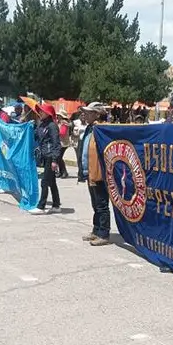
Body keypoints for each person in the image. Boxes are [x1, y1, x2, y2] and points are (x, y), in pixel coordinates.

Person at [77, 102, 112, 246]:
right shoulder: (89, 128)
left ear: (97, 114)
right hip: (89, 171)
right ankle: (96, 230)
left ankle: (103, 233)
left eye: (88, 112)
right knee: (95, 204)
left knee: (101, 204)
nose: (84, 115)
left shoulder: (102, 129)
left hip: (98, 172)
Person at [30, 103, 62, 214]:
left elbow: (56, 143)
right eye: (39, 111)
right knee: (52, 182)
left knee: (44, 182)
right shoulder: (41, 124)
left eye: (42, 111)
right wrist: (31, 126)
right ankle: (56, 205)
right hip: (44, 155)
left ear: (48, 113)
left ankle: (41, 206)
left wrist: (54, 160)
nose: (40, 113)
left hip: (50, 156)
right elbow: (35, 136)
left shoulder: (52, 126)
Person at [55, 109, 70, 178]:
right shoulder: (59, 122)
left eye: (58, 115)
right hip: (60, 142)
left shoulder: (64, 123)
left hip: (63, 143)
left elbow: (62, 133)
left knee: (59, 157)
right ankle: (61, 172)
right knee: (58, 158)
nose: (57, 116)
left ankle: (64, 172)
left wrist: (55, 132)